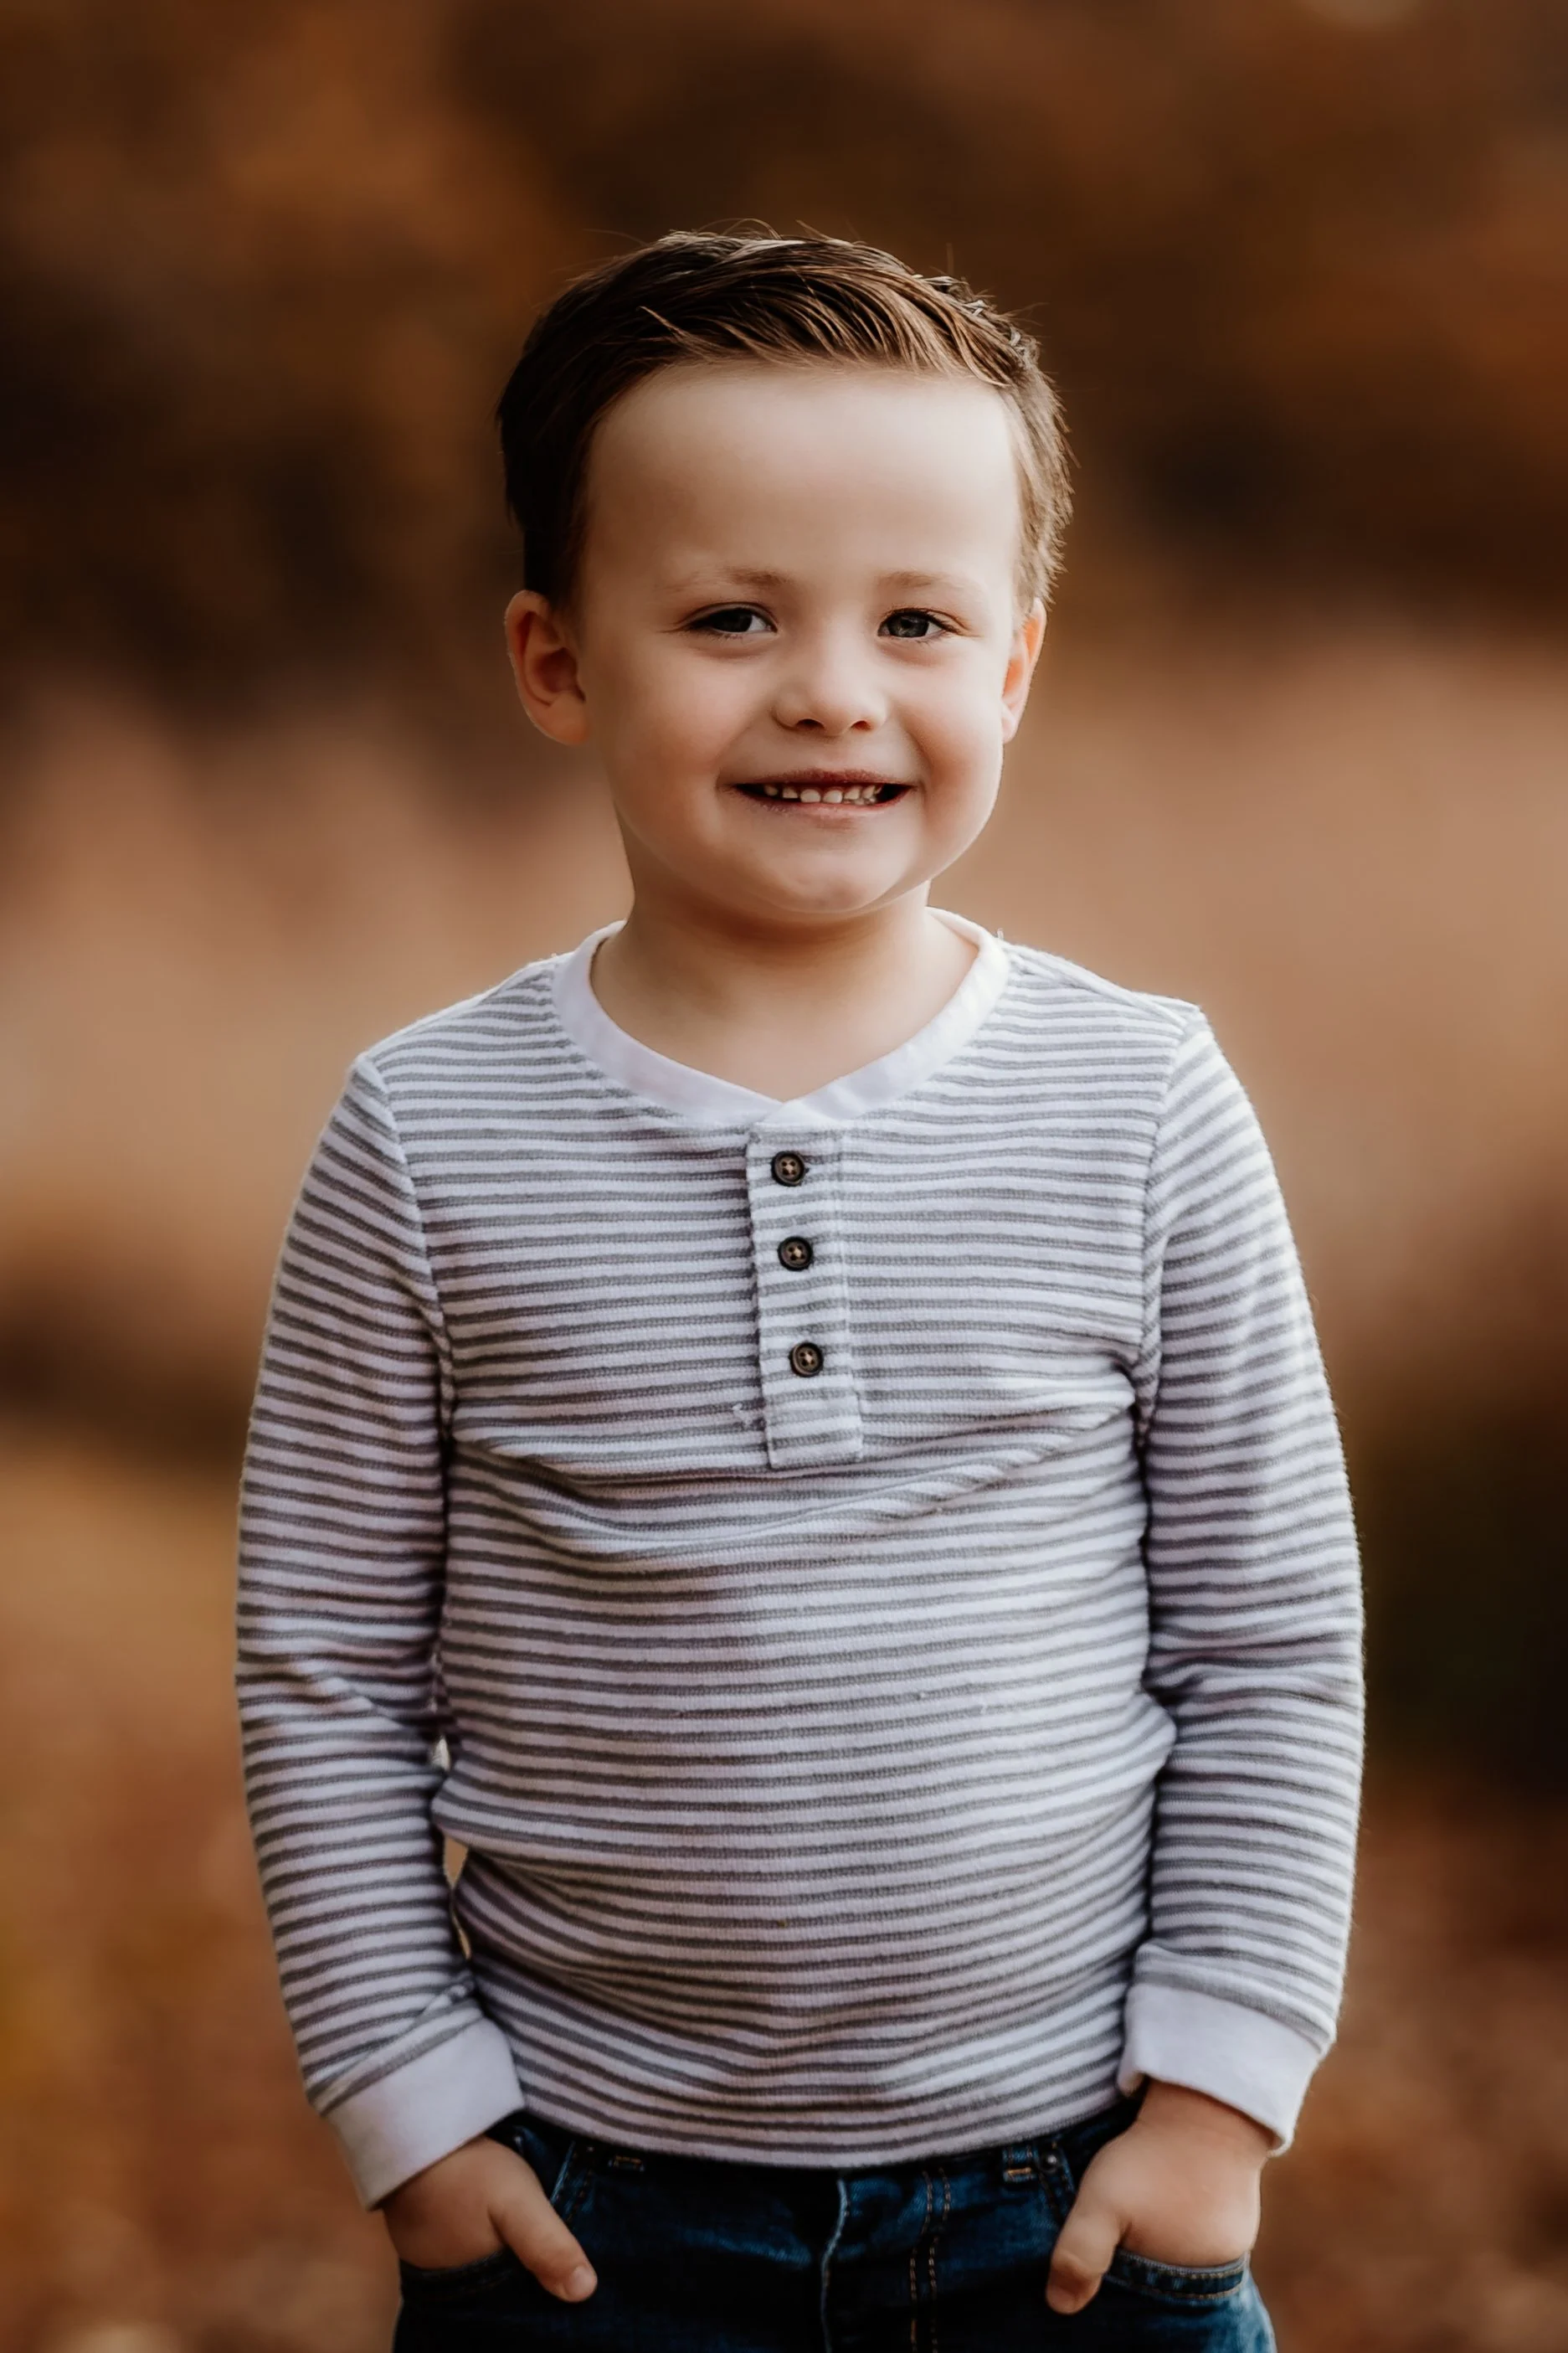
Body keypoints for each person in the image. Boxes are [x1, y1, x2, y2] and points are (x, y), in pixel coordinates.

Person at [237, 232, 1363, 2350]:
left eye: (916, 620)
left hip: (1070, 2204)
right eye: (733, 615)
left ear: (1013, 666)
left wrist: (1221, 2091)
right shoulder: (424, 1134)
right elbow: (326, 1667)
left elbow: (1271, 1634)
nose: (834, 687)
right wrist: (413, 2113)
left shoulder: (1142, 1101)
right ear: (559, 660)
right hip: (589, 2205)